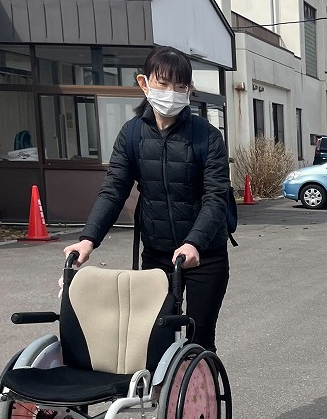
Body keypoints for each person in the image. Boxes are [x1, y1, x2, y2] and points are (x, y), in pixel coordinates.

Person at [63, 46, 232, 351]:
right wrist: (88, 239)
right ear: (144, 83)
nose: (172, 92)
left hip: (206, 255)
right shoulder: (131, 134)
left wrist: (194, 243)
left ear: (189, 90)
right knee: (154, 337)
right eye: (163, 84)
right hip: (156, 253)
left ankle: (200, 396)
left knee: (199, 338)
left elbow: (216, 196)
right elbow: (114, 189)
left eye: (180, 86)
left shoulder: (207, 136)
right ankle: (159, 398)